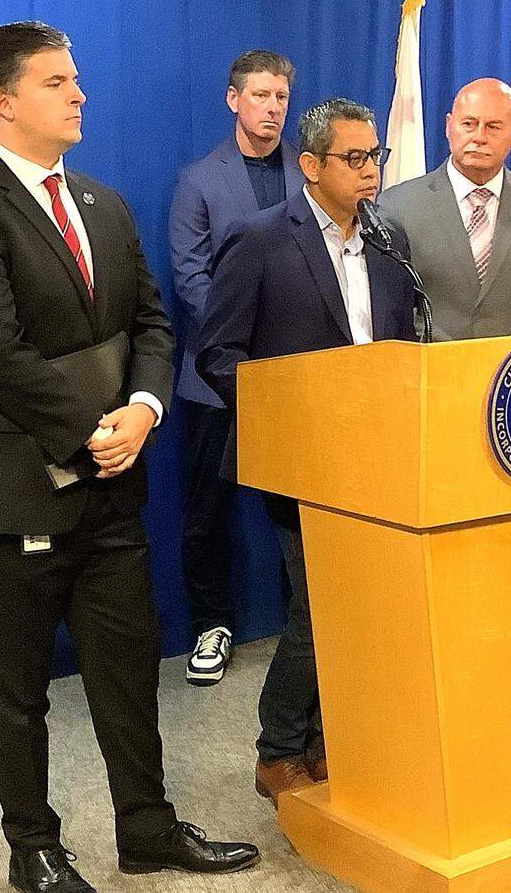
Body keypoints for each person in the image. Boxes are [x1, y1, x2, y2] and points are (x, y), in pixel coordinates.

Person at [0, 22, 258, 893]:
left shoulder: (101, 203)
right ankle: (33, 849)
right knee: (18, 690)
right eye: (58, 81)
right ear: (4, 101)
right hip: (7, 495)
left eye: (79, 79)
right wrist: (91, 431)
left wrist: (142, 411)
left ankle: (146, 830)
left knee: (126, 671)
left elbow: (149, 320)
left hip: (111, 488)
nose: (80, 93)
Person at [196, 98, 418, 806]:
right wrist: (292, 416)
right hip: (301, 461)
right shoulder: (260, 238)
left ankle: (328, 735)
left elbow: (401, 345)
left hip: (377, 456)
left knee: (360, 606)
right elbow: (219, 354)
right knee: (318, 609)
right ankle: (278, 748)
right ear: (311, 165)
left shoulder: (389, 240)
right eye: (354, 159)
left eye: (375, 156)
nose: (370, 171)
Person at [169, 49, 303, 687]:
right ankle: (212, 626)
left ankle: (305, 625)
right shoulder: (199, 179)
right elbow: (191, 278)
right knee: (208, 511)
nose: (272, 109)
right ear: (234, 100)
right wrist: (243, 349)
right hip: (218, 380)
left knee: (302, 509)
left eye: (280, 97)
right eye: (260, 96)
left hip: (300, 379)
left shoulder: (310, 173)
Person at [378, 77, 511, 339]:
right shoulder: (397, 206)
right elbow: (392, 308)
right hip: (431, 369)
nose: (479, 137)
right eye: (469, 124)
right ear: (448, 126)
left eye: (493, 127)